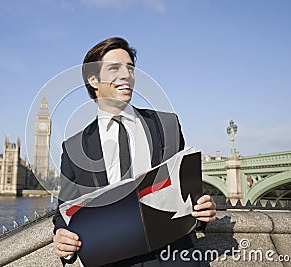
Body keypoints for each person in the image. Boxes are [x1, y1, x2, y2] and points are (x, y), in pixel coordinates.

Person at [53, 37, 216, 266]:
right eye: (114, 68)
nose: (126, 75)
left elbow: (186, 193)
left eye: (130, 68)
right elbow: (65, 213)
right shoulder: (73, 147)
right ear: (93, 79)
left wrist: (202, 211)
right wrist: (64, 240)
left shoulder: (166, 125)